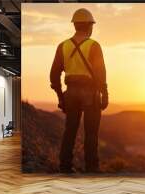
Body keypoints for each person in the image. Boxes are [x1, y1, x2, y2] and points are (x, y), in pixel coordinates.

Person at [50, 8, 108, 173]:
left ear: (75, 25)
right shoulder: (94, 45)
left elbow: (54, 75)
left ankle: (65, 167)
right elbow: (100, 73)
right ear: (89, 26)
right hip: (90, 93)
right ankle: (91, 169)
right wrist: (105, 94)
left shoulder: (63, 46)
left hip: (71, 93)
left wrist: (61, 97)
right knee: (91, 134)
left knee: (70, 131)